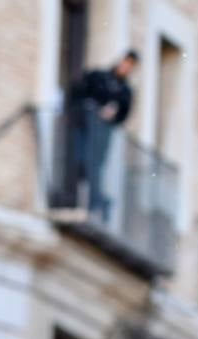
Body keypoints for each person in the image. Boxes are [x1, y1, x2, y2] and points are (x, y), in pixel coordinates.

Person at [66, 49, 139, 217]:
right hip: (84, 126)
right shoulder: (99, 76)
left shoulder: (125, 92)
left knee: (95, 166)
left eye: (130, 65)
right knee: (80, 160)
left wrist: (112, 114)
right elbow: (79, 91)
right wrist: (88, 106)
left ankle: (96, 203)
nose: (125, 67)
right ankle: (86, 199)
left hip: (102, 132)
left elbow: (123, 115)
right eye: (125, 63)